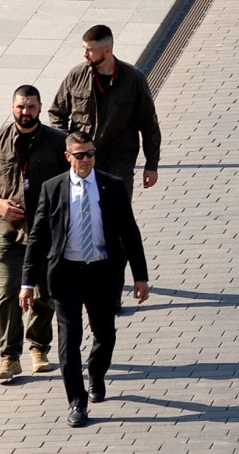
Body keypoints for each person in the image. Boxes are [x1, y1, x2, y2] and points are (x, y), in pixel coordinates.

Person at [20, 131, 151, 428]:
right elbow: (38, 238)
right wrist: (27, 283)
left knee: (105, 334)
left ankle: (96, 373)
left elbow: (130, 233)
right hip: (66, 273)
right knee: (69, 341)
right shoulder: (53, 188)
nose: (86, 160)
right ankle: (76, 402)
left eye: (90, 153)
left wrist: (140, 277)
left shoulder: (112, 186)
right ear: (68, 157)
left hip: (102, 273)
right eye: (80, 155)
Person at [0, 84, 68, 384]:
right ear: (12, 107)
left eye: (31, 107)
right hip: (9, 232)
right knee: (8, 291)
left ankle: (38, 348)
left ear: (40, 108)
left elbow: (73, 177)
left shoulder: (55, 142)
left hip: (47, 232)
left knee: (45, 292)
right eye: (20, 107)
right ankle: (9, 356)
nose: (25, 113)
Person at [50, 24, 161, 199]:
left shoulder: (133, 80)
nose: (85, 54)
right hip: (83, 160)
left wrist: (151, 165)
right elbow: (57, 113)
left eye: (90, 50)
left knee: (117, 217)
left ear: (107, 50)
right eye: (84, 48)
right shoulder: (76, 76)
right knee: (85, 214)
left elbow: (149, 125)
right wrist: (70, 147)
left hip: (119, 162)